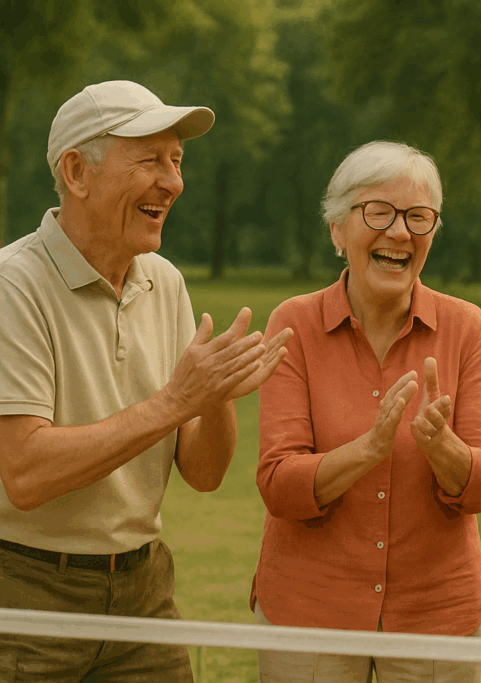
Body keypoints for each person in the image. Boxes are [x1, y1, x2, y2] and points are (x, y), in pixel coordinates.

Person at [0, 80, 291, 682]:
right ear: (77, 172)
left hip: (143, 589)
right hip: (24, 596)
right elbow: (25, 473)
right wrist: (176, 400)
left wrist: (212, 400)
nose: (173, 182)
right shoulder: (12, 286)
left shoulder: (166, 281)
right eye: (150, 160)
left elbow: (204, 473)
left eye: (177, 161)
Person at [252, 140, 481, 683]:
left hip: (438, 619)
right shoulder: (292, 324)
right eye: (378, 212)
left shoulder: (467, 328)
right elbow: (279, 484)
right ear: (337, 231)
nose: (400, 233)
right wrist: (366, 450)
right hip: (309, 616)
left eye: (418, 218)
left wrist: (447, 452)